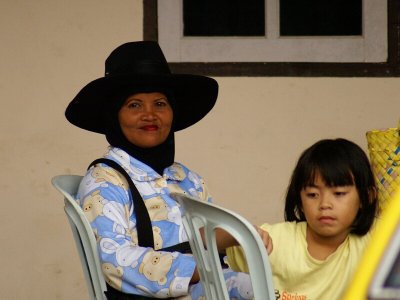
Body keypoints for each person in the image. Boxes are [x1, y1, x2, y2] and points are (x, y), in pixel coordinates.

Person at [65, 41, 271, 299]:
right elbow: (114, 260)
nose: (149, 114)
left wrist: (237, 233)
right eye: (134, 105)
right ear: (114, 116)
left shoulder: (187, 180)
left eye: (160, 104)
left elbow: (199, 238)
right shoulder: (105, 181)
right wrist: (198, 269)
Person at [227, 138, 378, 300]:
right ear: (299, 199)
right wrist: (242, 232)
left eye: (339, 193)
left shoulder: (376, 239)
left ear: (367, 197)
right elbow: (202, 252)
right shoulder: (276, 241)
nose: (324, 204)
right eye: (312, 195)